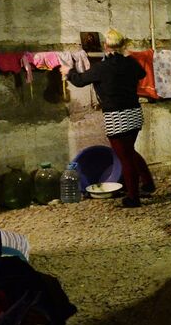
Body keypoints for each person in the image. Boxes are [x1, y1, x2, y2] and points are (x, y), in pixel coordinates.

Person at [66, 29, 155, 207]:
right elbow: (141, 74)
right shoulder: (131, 63)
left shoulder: (102, 67)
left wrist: (68, 72)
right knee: (129, 151)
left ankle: (133, 198)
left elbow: (80, 80)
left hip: (116, 116)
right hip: (134, 114)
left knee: (125, 157)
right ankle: (147, 183)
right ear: (122, 45)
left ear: (106, 45)